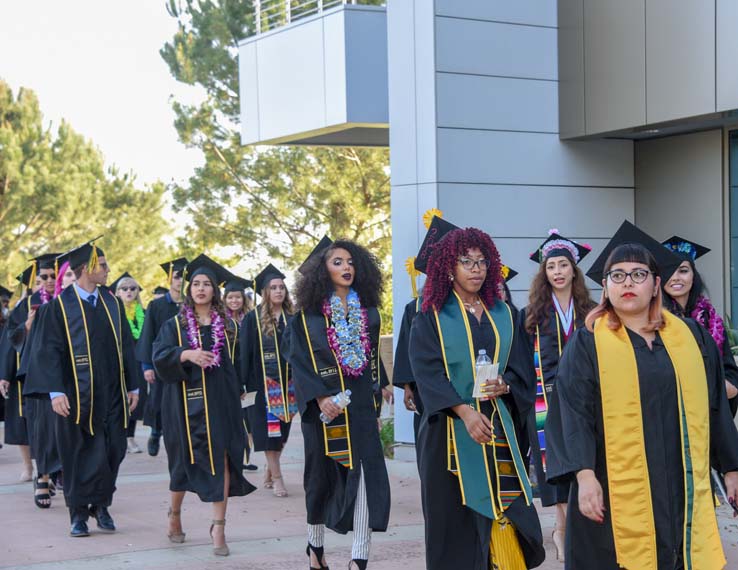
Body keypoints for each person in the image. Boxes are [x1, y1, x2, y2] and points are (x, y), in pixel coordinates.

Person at [545, 221, 738, 570]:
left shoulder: (690, 337)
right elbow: (571, 412)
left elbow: (714, 404)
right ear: (604, 287)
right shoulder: (589, 342)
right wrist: (584, 476)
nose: (628, 283)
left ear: (655, 284)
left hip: (679, 480)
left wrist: (731, 467)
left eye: (638, 274)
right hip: (611, 485)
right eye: (617, 276)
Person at [409, 224, 544, 570]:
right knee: (454, 525)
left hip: (498, 429)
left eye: (482, 262)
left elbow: (521, 369)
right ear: (448, 268)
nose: (476, 269)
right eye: (466, 262)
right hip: (449, 436)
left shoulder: (505, 314)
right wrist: (465, 412)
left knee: (509, 510)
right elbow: (427, 372)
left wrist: (507, 385)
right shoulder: (431, 316)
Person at [287, 237, 391, 570]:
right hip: (323, 410)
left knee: (364, 476)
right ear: (323, 270)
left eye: (350, 262)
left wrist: (376, 403)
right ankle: (315, 549)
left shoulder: (369, 312)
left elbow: (372, 360)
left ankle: (359, 558)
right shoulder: (306, 318)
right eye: (337, 262)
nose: (346, 267)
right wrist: (320, 398)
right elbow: (298, 362)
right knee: (319, 478)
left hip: (359, 405)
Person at [23, 240, 139, 537]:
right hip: (75, 397)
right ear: (86, 268)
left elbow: (127, 346)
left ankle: (101, 504)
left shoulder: (112, 303)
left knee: (113, 449)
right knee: (78, 454)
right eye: (102, 265)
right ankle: (78, 513)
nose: (107, 270)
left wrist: (133, 385)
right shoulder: (58, 308)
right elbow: (46, 352)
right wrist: (55, 391)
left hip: (112, 394)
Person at [152, 254, 256, 557]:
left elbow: (240, 364)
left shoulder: (230, 327)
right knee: (182, 462)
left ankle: (219, 528)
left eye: (206, 284)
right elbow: (160, 355)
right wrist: (186, 355)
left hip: (221, 402)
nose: (200, 289)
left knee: (222, 459)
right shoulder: (174, 324)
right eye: (195, 284)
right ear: (189, 289)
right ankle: (174, 514)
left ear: (215, 290)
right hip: (182, 404)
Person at [519, 229, 594, 561]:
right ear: (544, 273)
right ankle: (564, 530)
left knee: (582, 458)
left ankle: (565, 529)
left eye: (564, 265)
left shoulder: (591, 311)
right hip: (543, 401)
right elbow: (521, 361)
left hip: (583, 399)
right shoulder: (532, 314)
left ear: (574, 270)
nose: (558, 272)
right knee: (554, 466)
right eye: (552, 267)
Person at [661, 235, 738, 415]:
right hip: (672, 414)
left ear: (693, 276)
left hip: (710, 414)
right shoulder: (654, 320)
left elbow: (730, 373)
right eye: (669, 271)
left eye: (683, 270)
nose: (676, 278)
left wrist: (723, 388)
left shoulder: (711, 320)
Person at [5, 255, 60, 505]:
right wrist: (26, 327)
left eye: (52, 276)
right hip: (36, 374)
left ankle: (56, 473)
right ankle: (43, 475)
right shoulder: (27, 304)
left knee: (61, 428)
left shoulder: (68, 301)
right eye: (43, 277)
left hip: (63, 375)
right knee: (41, 427)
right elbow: (10, 338)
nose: (48, 281)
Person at [240, 263, 296, 497]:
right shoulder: (253, 319)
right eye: (273, 287)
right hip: (263, 386)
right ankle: (278, 478)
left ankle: (270, 469)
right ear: (265, 292)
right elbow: (245, 353)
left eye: (281, 287)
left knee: (282, 434)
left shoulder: (292, 318)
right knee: (270, 434)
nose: (278, 291)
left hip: (290, 385)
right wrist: (243, 385)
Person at [136, 257, 188, 457]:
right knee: (158, 401)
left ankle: (177, 437)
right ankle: (156, 432)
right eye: (176, 277)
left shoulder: (191, 306)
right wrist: (146, 366)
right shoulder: (156, 306)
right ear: (169, 279)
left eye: (184, 277)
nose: (180, 281)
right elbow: (147, 335)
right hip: (160, 363)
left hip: (183, 363)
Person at [113, 273, 148, 453]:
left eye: (133, 288)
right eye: (124, 288)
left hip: (138, 361)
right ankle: (120, 436)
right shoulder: (113, 312)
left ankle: (130, 438)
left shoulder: (144, 313)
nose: (129, 291)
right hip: (119, 361)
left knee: (135, 400)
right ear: (117, 292)